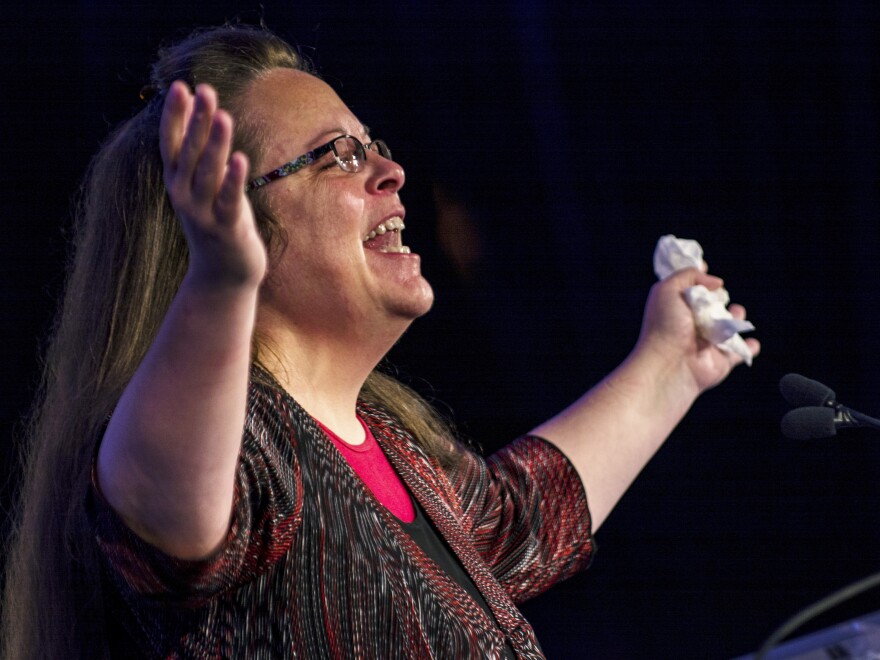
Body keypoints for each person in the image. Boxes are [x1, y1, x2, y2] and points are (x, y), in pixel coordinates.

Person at [1, 23, 760, 659]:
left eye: (375, 147)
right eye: (340, 155)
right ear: (225, 208)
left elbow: (518, 518)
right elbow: (160, 491)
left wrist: (673, 362)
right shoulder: (233, 452)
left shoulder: (396, 452)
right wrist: (221, 280)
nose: (392, 172)